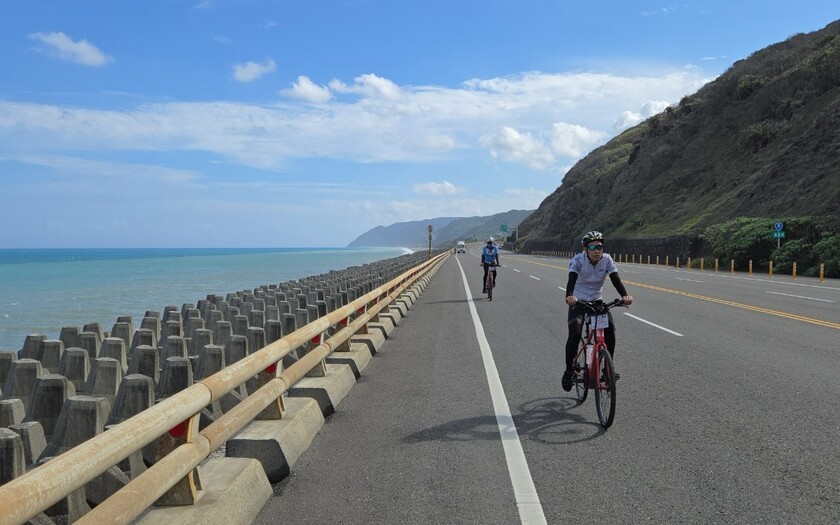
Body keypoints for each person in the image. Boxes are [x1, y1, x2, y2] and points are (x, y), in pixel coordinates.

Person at [561, 231, 633, 391]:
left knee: (610, 329)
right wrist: (569, 296)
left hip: (596, 301)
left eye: (599, 246)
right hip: (578, 302)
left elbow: (615, 279)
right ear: (585, 249)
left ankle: (608, 368)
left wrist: (625, 295)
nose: (597, 250)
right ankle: (568, 370)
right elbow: (571, 279)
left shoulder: (607, 260)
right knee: (575, 330)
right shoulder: (578, 260)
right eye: (592, 247)